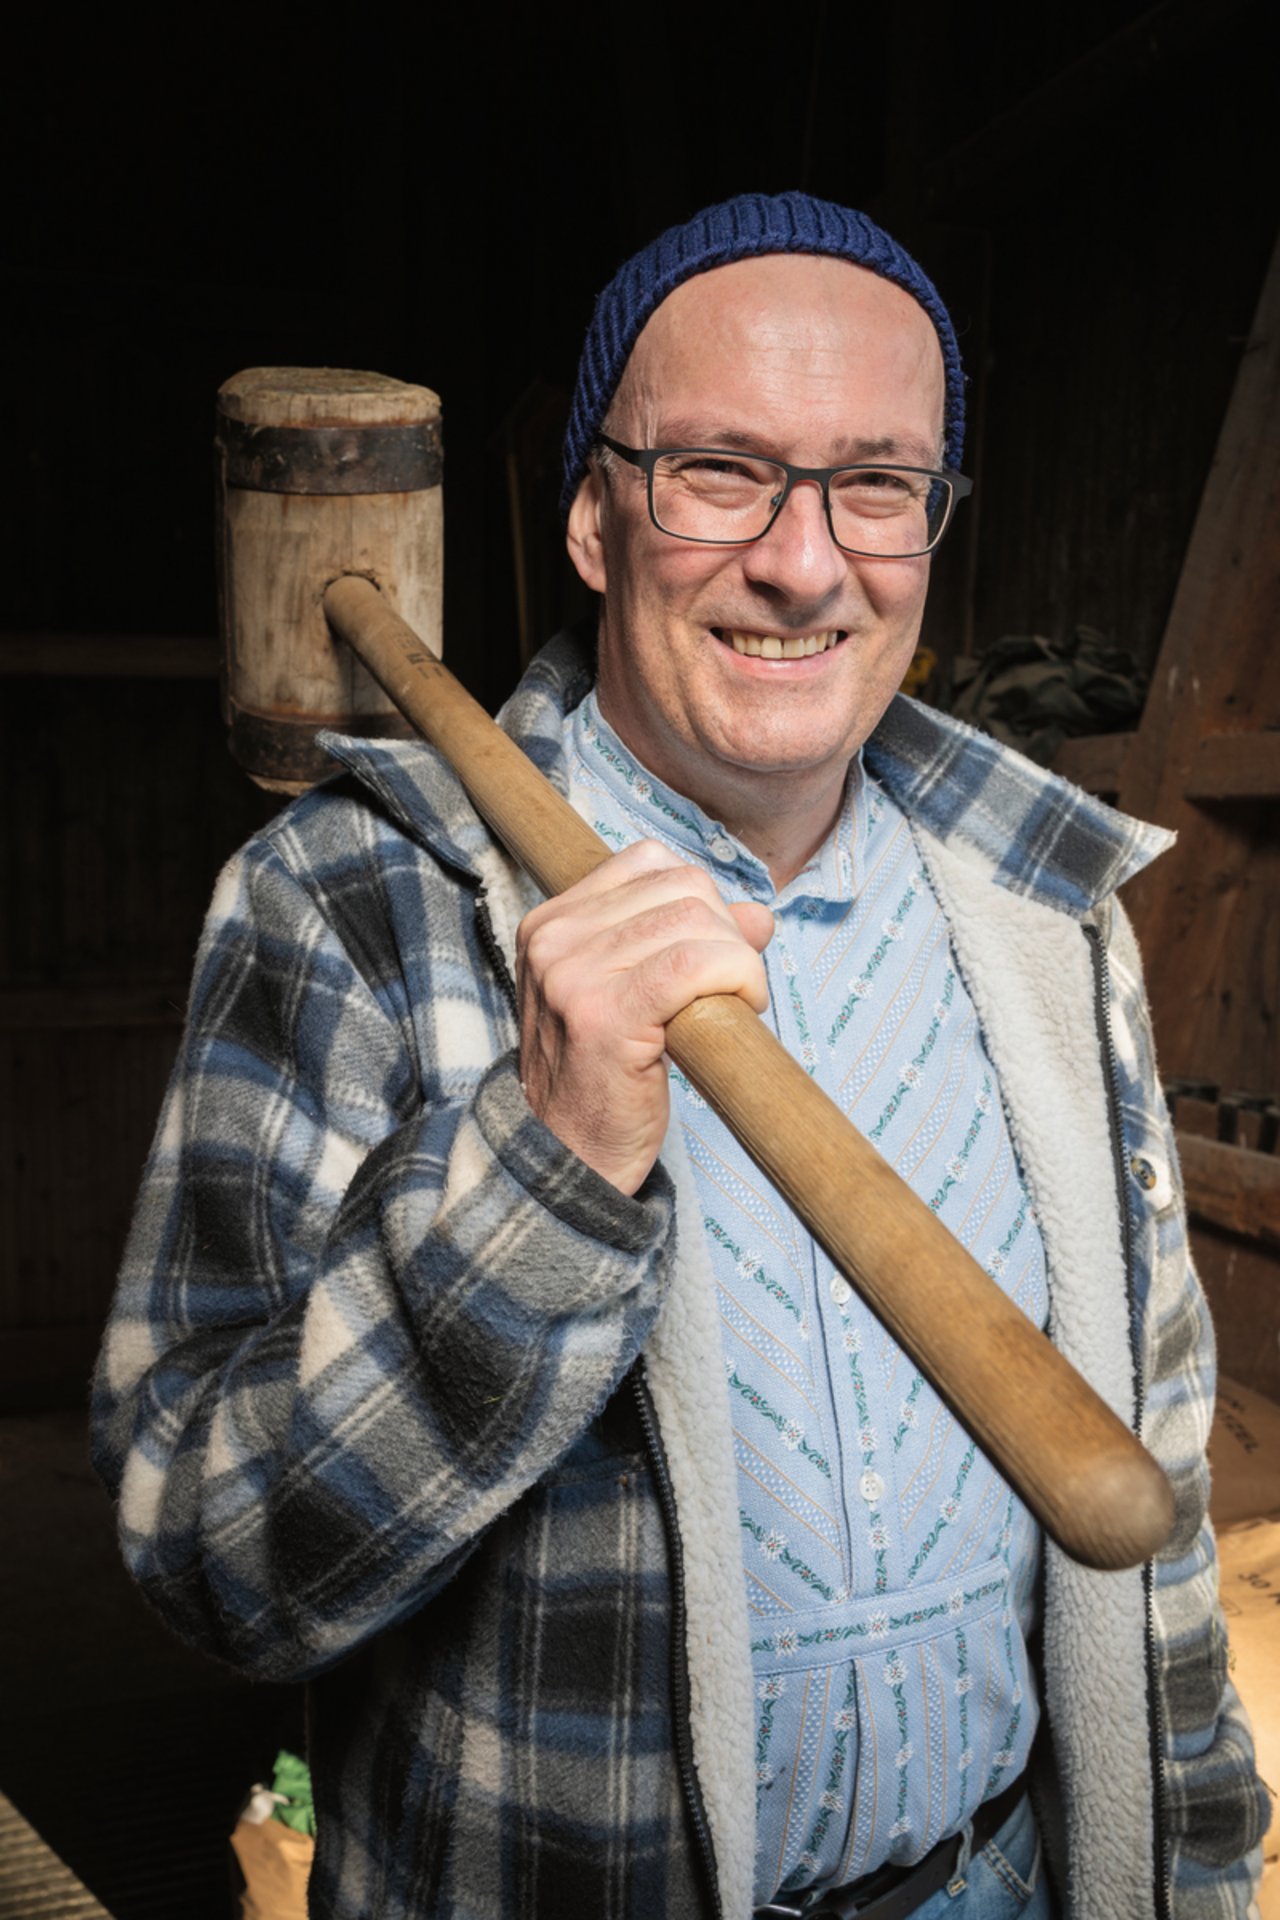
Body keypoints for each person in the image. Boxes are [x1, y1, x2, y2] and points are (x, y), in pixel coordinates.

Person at [92, 192, 1267, 1919]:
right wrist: (542, 1172)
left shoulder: (1048, 912)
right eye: (720, 470)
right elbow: (206, 1558)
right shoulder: (346, 905)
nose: (805, 562)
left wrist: (1202, 1874)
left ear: (934, 523)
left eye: (876, 484)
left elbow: (1147, 1480)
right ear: (592, 516)